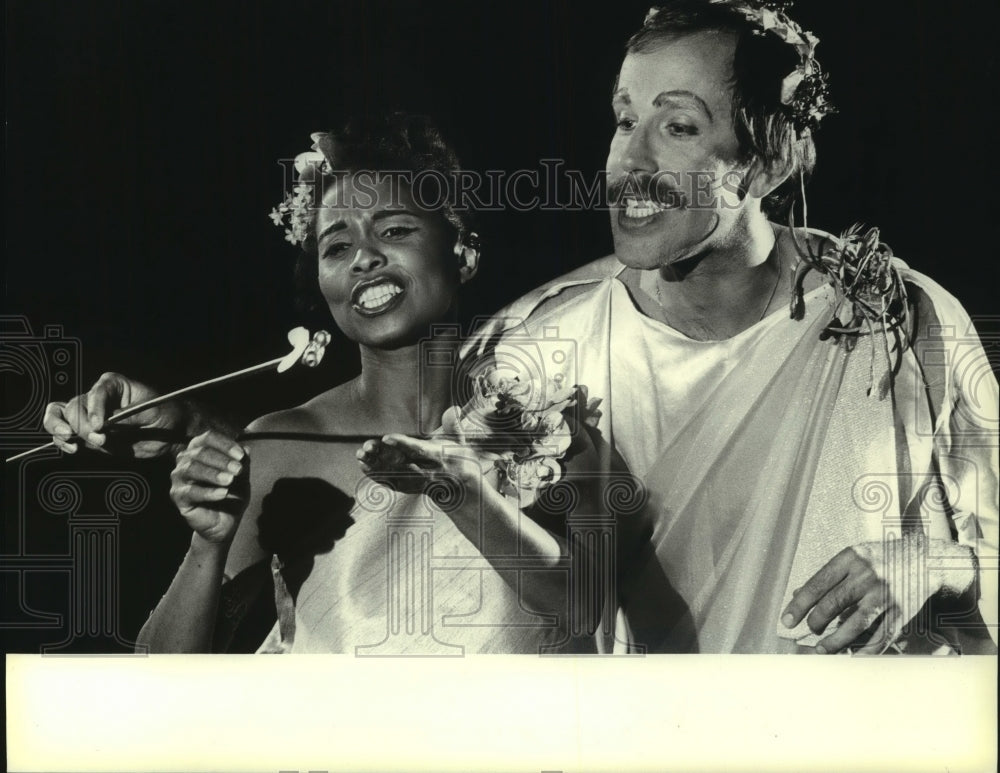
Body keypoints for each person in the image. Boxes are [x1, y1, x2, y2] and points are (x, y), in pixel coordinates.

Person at [468, 0, 998, 654]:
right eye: (625, 119)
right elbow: (522, 621)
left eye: (679, 126)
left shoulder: (901, 319)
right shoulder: (551, 348)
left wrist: (933, 564)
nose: (630, 160)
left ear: (768, 161)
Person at [42, 113, 620, 654]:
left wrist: (465, 495)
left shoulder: (542, 418)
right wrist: (207, 544)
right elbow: (161, 679)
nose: (364, 258)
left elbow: (582, 608)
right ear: (323, 284)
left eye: (394, 229)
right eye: (337, 246)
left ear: (463, 252)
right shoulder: (279, 446)